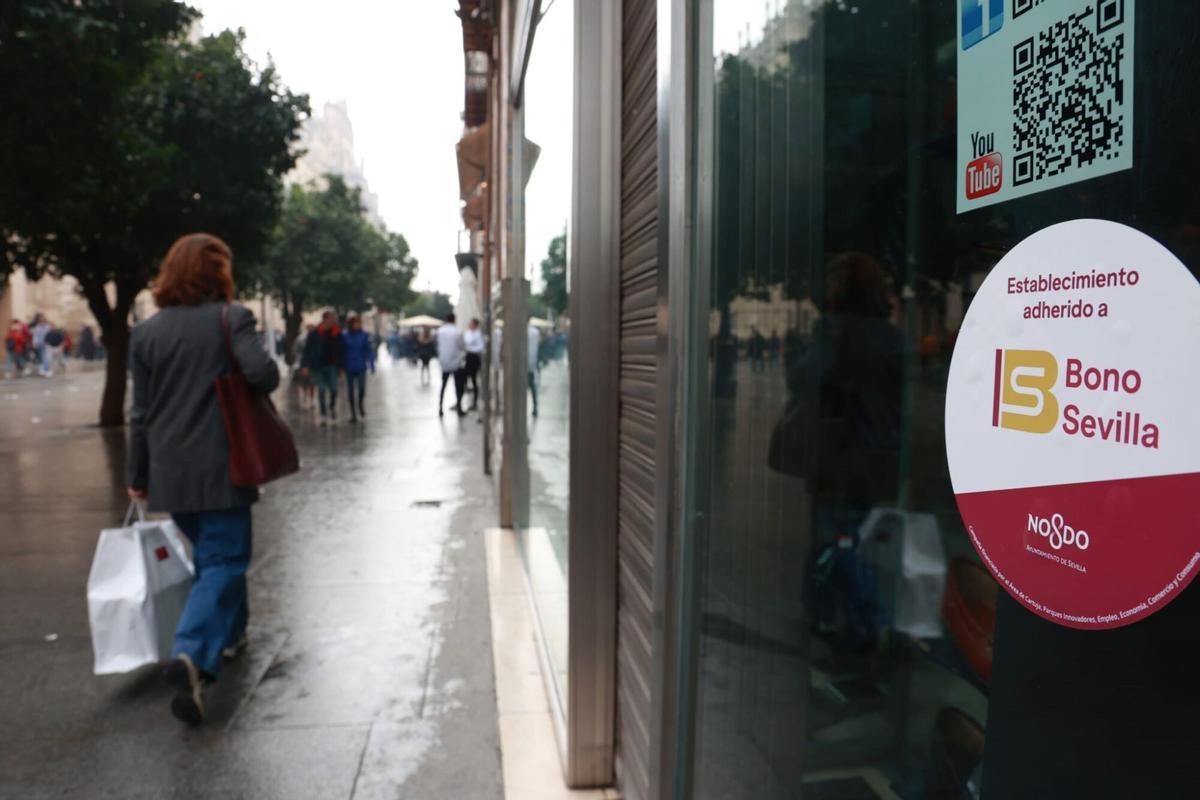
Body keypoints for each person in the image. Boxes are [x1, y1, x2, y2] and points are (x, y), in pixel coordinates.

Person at [126, 232, 280, 725]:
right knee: (224, 559)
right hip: (223, 464)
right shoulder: (230, 319)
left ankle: (231, 636)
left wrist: (137, 474)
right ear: (218, 274)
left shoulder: (145, 334)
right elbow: (264, 375)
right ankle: (192, 652)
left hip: (171, 473)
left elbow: (140, 412)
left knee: (212, 556)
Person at [302, 312, 344, 422]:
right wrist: (305, 365)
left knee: (334, 389)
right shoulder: (314, 333)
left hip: (332, 366)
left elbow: (341, 350)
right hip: (318, 366)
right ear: (325, 319)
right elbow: (307, 350)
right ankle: (323, 413)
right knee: (321, 390)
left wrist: (341, 366)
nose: (333, 321)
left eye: (334, 319)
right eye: (331, 319)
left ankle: (332, 407)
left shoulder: (337, 333)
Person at [341, 315, 376, 424]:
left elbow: (368, 350)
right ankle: (353, 414)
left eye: (359, 323)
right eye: (356, 323)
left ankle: (360, 404)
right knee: (350, 391)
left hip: (361, 366)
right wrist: (341, 366)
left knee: (361, 389)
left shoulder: (364, 335)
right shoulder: (344, 335)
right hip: (348, 366)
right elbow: (340, 351)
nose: (358, 325)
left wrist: (371, 364)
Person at [436, 312, 467, 417]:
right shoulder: (457, 332)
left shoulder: (440, 331)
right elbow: (462, 346)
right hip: (456, 362)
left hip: (444, 361)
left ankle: (440, 407)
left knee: (443, 385)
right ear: (454, 320)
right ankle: (459, 407)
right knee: (458, 386)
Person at [463, 318, 486, 411]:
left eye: (471, 323)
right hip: (467, 357)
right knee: (463, 378)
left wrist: (471, 349)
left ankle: (475, 402)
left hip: (474, 358)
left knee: (474, 380)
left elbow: (481, 347)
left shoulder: (478, 334)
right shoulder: (468, 333)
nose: (470, 325)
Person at [527, 322, 541, 417]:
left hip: (527, 364)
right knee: (532, 387)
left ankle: (535, 406)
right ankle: (535, 406)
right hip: (532, 363)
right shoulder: (535, 332)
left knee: (532, 386)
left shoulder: (533, 332)